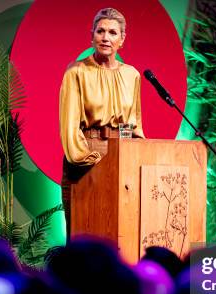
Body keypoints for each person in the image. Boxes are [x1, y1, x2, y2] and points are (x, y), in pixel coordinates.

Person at [59, 7, 145, 238]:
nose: (106, 37)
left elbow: (133, 123)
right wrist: (90, 159)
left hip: (122, 155)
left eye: (113, 33)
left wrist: (132, 157)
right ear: (92, 35)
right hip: (87, 154)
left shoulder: (132, 75)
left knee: (121, 233)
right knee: (85, 233)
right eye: (101, 31)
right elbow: (69, 126)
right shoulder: (76, 72)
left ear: (122, 40)